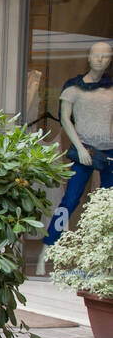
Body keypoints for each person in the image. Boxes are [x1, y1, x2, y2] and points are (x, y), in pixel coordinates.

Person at [44, 41, 113, 248]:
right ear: (89, 57)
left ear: (110, 60)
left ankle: (102, 251)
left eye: (105, 56)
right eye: (96, 55)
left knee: (108, 204)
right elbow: (65, 120)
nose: (100, 59)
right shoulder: (73, 88)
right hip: (84, 151)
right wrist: (81, 148)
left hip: (109, 152)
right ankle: (48, 245)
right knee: (70, 200)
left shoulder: (111, 88)